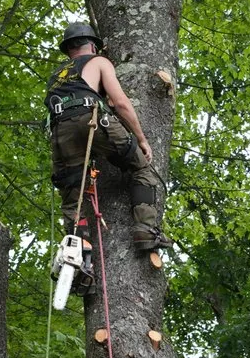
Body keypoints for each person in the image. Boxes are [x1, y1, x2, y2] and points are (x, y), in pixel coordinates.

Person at [45, 21, 173, 263]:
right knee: (141, 168)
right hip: (91, 119)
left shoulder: (56, 77)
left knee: (74, 197)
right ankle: (146, 230)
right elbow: (121, 103)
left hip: (60, 131)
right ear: (93, 46)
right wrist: (142, 139)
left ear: (69, 49)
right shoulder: (99, 62)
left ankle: (78, 263)